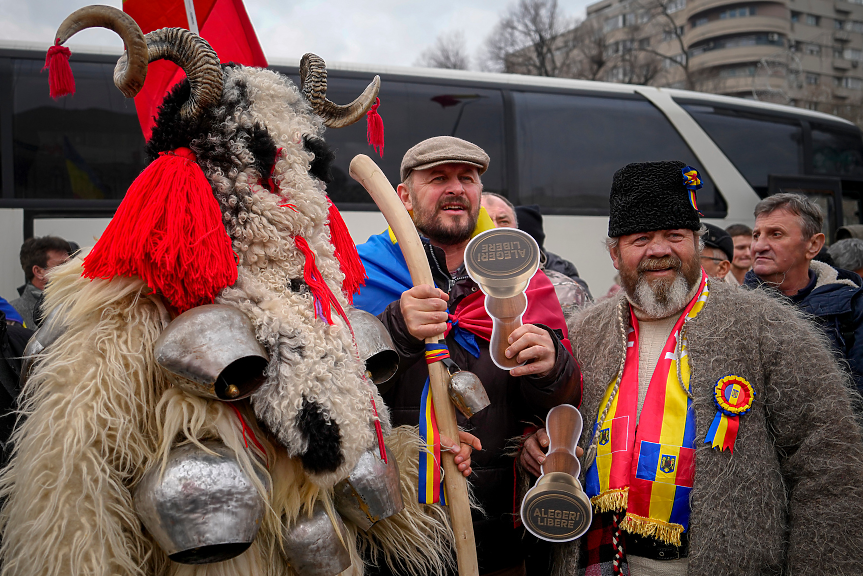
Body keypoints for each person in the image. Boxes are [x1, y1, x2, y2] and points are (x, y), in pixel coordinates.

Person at [520, 161, 863, 575]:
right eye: (641, 238)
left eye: (675, 236)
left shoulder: (770, 327)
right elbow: (551, 427)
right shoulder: (580, 333)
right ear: (614, 253)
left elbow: (830, 466)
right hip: (596, 561)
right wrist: (535, 447)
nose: (659, 249)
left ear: (697, 244)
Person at [354, 136, 581, 576]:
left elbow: (561, 406)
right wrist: (396, 329)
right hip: (392, 531)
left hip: (499, 528)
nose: (456, 188)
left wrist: (551, 367)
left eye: (467, 178)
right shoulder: (360, 272)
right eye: (438, 178)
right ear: (403, 195)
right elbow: (335, 387)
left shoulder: (525, 279)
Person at [745, 193, 863, 396]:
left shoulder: (853, 305)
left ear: (813, 245)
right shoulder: (733, 308)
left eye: (776, 234)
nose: (759, 246)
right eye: (756, 235)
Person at [10, 236, 70, 328]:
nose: (71, 270)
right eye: (61, 265)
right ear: (38, 272)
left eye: (71, 264)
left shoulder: (77, 303)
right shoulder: (13, 314)